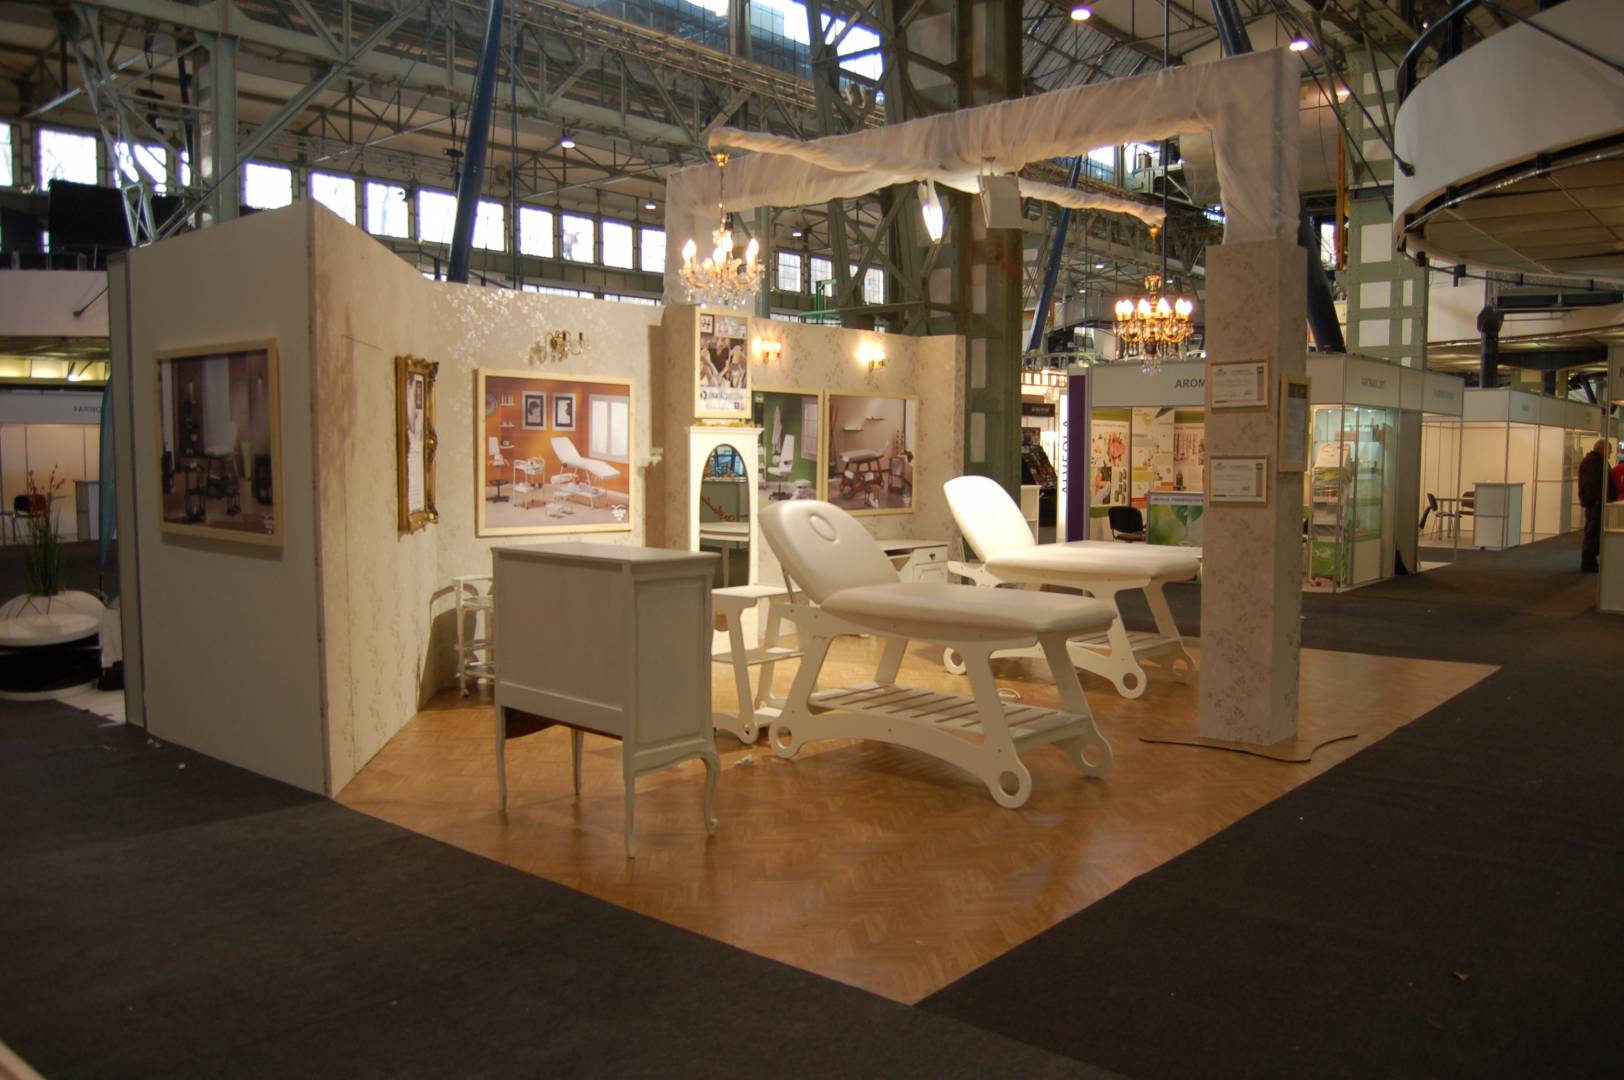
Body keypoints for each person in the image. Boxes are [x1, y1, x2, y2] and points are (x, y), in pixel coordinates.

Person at [1577, 437, 1608, 572]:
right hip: (1595, 503)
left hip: (1596, 502)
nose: (1610, 454)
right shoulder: (1592, 463)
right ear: (1602, 449)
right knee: (1592, 533)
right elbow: (1590, 484)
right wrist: (1594, 500)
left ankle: (1590, 560)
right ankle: (1588, 561)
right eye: (1609, 450)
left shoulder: (1596, 462)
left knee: (1594, 532)